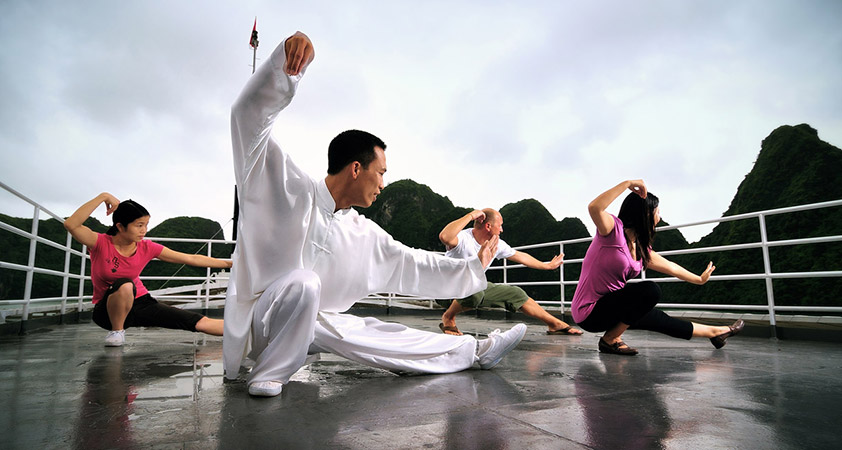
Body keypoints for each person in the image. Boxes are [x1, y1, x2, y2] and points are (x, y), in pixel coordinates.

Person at [223, 31, 526, 398]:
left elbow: (413, 264)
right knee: (304, 284)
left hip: (315, 328)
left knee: (370, 329)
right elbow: (246, 120)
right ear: (355, 168)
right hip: (262, 324)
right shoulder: (283, 185)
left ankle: (474, 350)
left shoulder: (361, 232)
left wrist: (471, 267)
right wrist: (282, 76)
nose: (383, 183)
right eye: (381, 172)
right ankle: (267, 375)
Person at [571, 180, 744, 355]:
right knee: (650, 290)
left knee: (659, 319)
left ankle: (716, 333)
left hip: (614, 307)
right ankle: (610, 340)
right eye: (657, 212)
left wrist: (699, 279)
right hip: (589, 311)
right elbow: (594, 207)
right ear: (644, 213)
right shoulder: (612, 232)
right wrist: (627, 184)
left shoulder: (641, 249)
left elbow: (671, 267)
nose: (659, 217)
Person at [64, 193, 231, 347]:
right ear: (121, 227)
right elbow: (71, 224)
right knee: (125, 284)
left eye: (146, 225)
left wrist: (230, 264)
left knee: (198, 322)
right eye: (139, 225)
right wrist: (103, 196)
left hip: (142, 304)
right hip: (107, 312)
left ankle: (246, 331)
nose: (144, 230)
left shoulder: (146, 247)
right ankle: (117, 331)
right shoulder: (100, 242)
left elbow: (190, 258)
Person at [438, 208, 583, 336]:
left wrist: (547, 266)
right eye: (500, 225)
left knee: (516, 293)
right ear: (488, 226)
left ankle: (555, 324)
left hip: (474, 286)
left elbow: (520, 256)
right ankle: (448, 317)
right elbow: (445, 236)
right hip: (448, 289)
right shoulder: (464, 238)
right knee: (476, 291)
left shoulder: (497, 243)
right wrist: (471, 215)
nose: (501, 230)